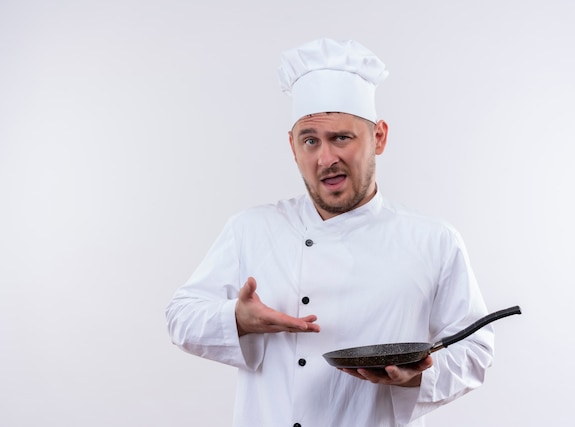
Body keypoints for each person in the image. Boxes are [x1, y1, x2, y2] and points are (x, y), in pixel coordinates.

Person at [166, 38, 494, 427]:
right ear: (292, 146)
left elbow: (475, 351)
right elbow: (180, 316)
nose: (326, 158)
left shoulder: (434, 240)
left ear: (379, 137)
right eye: (310, 141)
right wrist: (236, 319)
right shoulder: (251, 229)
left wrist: (419, 374)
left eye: (341, 137)